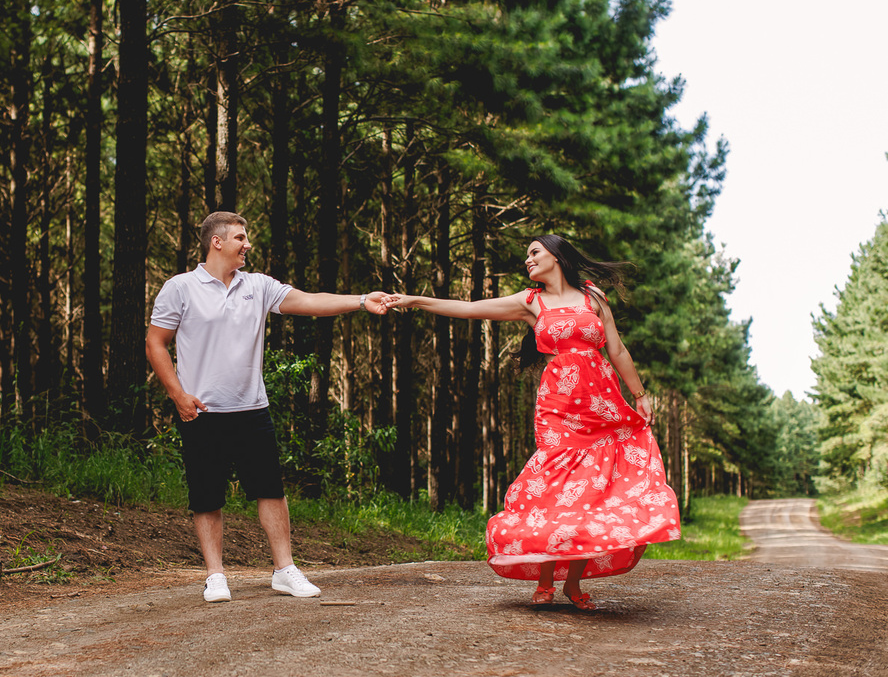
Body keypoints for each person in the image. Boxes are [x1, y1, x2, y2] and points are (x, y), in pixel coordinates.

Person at [384, 234, 680, 610]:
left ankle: (573, 583)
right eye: (527, 254)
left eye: (534, 252)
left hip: (600, 401)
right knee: (554, 487)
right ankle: (544, 579)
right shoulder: (530, 302)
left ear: (556, 256)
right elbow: (470, 307)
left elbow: (617, 348)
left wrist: (639, 394)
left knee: (592, 491)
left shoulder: (593, 296)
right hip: (558, 404)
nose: (528, 259)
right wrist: (416, 301)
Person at [146, 210, 389, 603]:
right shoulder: (180, 288)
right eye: (240, 238)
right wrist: (177, 394)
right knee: (206, 496)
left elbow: (309, 301)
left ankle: (284, 569)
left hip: (252, 409)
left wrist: (361, 300)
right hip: (202, 412)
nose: (248, 245)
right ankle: (215, 576)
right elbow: (155, 342)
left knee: (271, 491)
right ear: (217, 242)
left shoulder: (257, 286)